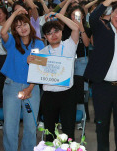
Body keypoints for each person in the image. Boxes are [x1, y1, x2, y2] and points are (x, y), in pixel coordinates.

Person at [83, 0, 117, 151]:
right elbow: (93, 17)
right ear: (111, 14)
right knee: (102, 128)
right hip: (101, 88)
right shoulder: (102, 31)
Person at [27, 12, 79, 141]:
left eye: (56, 31)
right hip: (49, 96)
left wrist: (58, 15)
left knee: (68, 131)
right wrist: (30, 61)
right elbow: (37, 73)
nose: (53, 35)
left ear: (61, 32)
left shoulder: (69, 46)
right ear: (45, 36)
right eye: (49, 33)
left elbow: (76, 28)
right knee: (50, 132)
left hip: (67, 94)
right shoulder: (43, 53)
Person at [0, 8, 44, 151]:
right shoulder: (12, 41)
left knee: (31, 126)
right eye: (18, 26)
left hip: (32, 88)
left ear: (29, 25)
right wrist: (15, 14)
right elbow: (2, 32)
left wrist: (30, 88)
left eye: (24, 24)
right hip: (11, 86)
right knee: (10, 126)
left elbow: (40, 70)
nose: (23, 28)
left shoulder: (39, 43)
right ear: (15, 30)